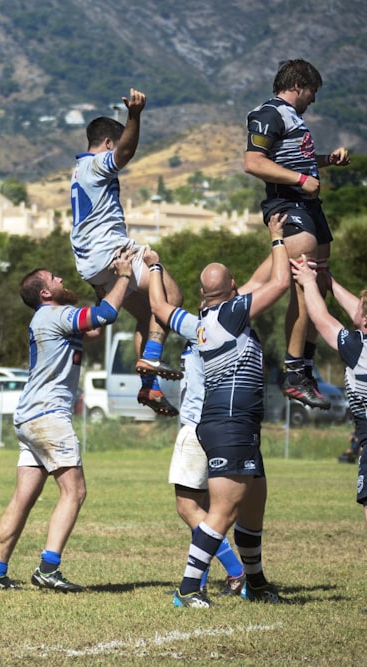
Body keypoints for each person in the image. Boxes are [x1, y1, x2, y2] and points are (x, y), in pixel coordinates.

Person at [0, 251, 135, 592]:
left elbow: (93, 328)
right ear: (45, 293)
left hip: (30, 417)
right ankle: (48, 569)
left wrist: (102, 285)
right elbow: (106, 314)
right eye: (54, 278)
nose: (61, 279)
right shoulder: (52, 314)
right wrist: (124, 275)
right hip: (49, 416)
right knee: (74, 491)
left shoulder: (51, 317)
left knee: (23, 498)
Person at [173, 213, 291, 608]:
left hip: (236, 425)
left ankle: (255, 583)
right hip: (230, 425)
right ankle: (188, 588)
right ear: (234, 289)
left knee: (252, 511)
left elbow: (259, 282)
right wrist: (277, 239)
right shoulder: (231, 313)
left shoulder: (206, 318)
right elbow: (276, 283)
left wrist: (154, 268)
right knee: (222, 511)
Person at [243, 58, 351, 409]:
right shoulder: (269, 113)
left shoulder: (295, 120)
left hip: (311, 208)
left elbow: (292, 159)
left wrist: (325, 161)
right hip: (289, 206)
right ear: (298, 86)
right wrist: (302, 180)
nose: (313, 100)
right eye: (312, 92)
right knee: (302, 286)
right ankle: (293, 374)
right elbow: (254, 162)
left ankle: (304, 366)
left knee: (318, 285)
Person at [70, 88, 184, 417]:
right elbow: (126, 152)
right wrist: (134, 116)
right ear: (108, 143)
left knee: (151, 315)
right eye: (114, 145)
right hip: (113, 252)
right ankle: (150, 358)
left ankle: (149, 388)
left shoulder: (77, 172)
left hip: (91, 262)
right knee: (172, 298)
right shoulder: (95, 166)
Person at [145, 248, 247, 597]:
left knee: (188, 507)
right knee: (207, 509)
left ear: (205, 295)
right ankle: (206, 579)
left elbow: (160, 305)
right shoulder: (234, 323)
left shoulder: (202, 326)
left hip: (197, 427)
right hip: (221, 426)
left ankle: (235, 571)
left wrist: (154, 266)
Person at [292, 260, 367, 527]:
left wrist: (310, 281)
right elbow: (360, 316)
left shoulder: (358, 348)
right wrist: (329, 280)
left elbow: (322, 318)